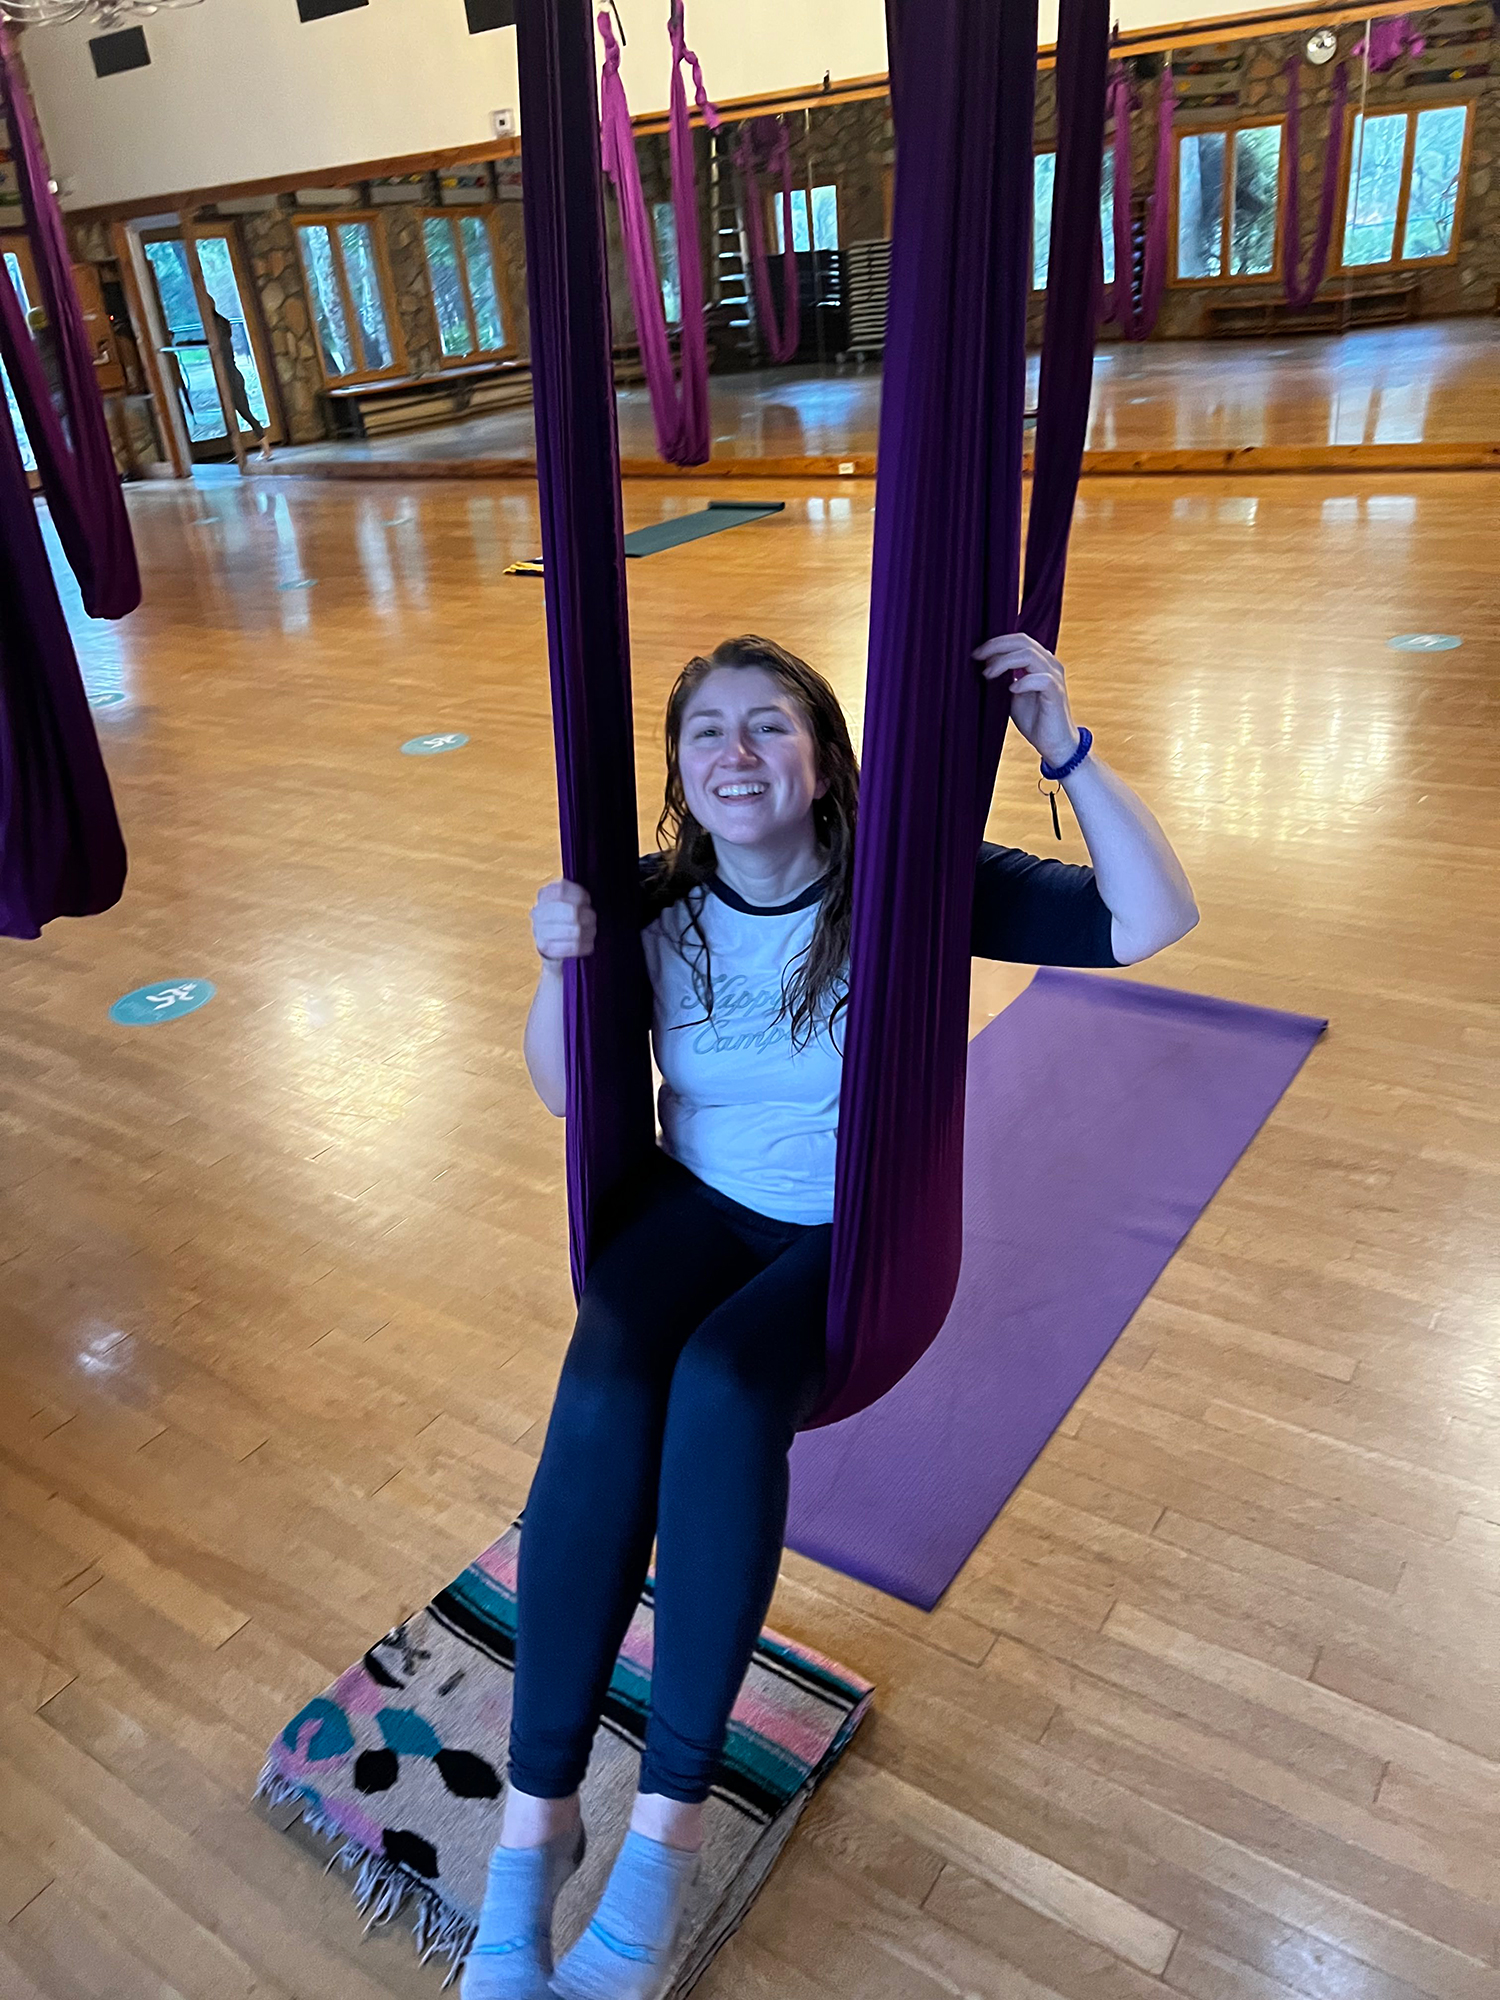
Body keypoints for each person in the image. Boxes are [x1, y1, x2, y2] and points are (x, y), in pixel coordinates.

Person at [463, 632, 1197, 2000]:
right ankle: (533, 1831)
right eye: (706, 733)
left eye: (768, 725)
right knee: (616, 1387)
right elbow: (569, 1097)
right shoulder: (656, 904)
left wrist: (1064, 743)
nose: (735, 752)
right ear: (679, 775)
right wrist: (560, 966)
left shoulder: (905, 892)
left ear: (822, 759)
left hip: (848, 1237)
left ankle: (663, 1845)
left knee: (731, 1393)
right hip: (691, 1209)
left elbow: (1149, 920)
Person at [210, 307, 272, 461]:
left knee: (244, 411)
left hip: (230, 377)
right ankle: (252, 449)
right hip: (233, 374)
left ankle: (265, 448)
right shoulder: (222, 324)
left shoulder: (215, 328)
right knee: (240, 412)